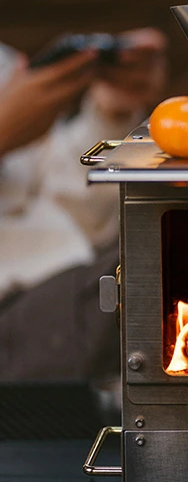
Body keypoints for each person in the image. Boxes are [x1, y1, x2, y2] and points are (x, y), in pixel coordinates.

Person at [0, 28, 167, 380]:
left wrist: (112, 112)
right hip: (17, 303)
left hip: (67, 280)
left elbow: (70, 206)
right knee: (173, 266)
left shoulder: (5, 63)